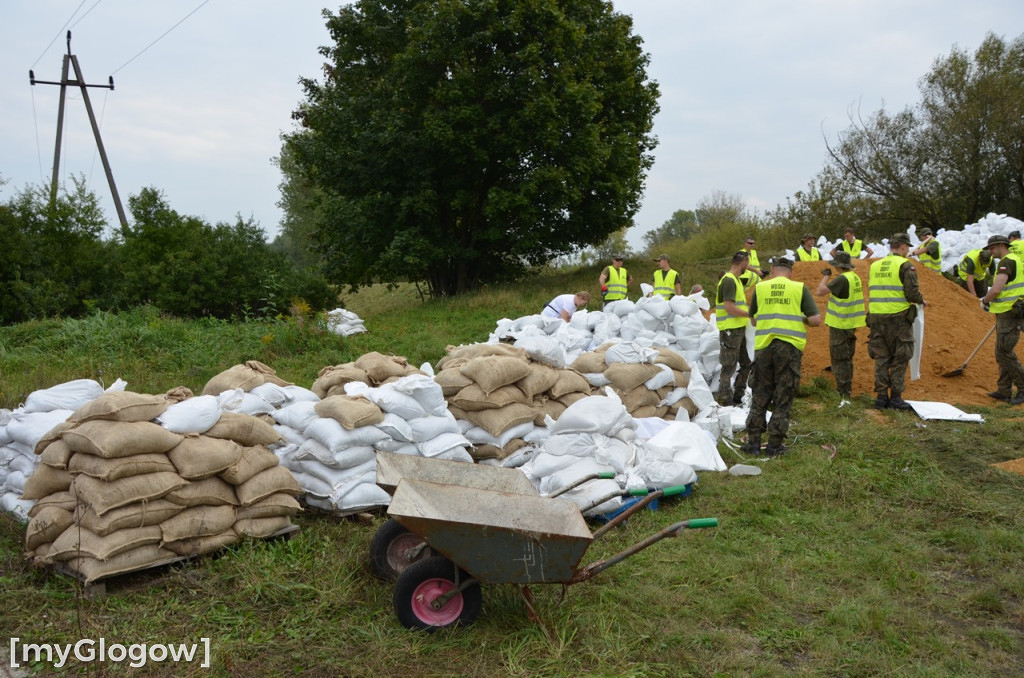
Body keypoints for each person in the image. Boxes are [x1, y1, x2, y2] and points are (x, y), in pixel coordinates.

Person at [745, 257, 822, 456]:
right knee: (783, 394)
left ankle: (753, 443)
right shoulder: (798, 288)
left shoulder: (760, 288)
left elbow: (752, 320)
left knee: (760, 393)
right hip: (789, 348)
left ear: (771, 271)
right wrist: (800, 318)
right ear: (791, 273)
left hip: (764, 347)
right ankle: (774, 445)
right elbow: (815, 320)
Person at [866, 233, 925, 410]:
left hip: (876, 318)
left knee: (881, 358)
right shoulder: (906, 265)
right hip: (898, 318)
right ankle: (896, 398)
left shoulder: (875, 265)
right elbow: (912, 293)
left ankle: (881, 398)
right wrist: (922, 300)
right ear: (904, 247)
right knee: (901, 356)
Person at [814, 251, 865, 406]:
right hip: (850, 323)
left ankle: (843, 394)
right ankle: (845, 391)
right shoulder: (854, 277)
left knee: (840, 359)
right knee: (846, 358)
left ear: (838, 265)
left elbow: (820, 291)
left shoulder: (842, 279)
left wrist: (825, 276)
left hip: (840, 324)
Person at [979, 235, 1024, 404]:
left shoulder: (1006, 262)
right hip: (1008, 311)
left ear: (1000, 246)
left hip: (1009, 313)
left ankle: (1022, 387)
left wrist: (985, 301)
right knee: (1002, 352)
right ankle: (1004, 390)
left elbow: (997, 289)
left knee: (1004, 353)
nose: (990, 252)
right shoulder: (1015, 260)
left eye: (992, 248)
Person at [715, 251, 753, 406]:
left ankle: (739, 395)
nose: (748, 267)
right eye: (748, 263)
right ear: (743, 262)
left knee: (746, 363)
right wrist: (749, 314)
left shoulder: (736, 280)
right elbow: (729, 308)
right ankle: (725, 399)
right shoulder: (729, 280)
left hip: (739, 329)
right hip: (730, 331)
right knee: (729, 366)